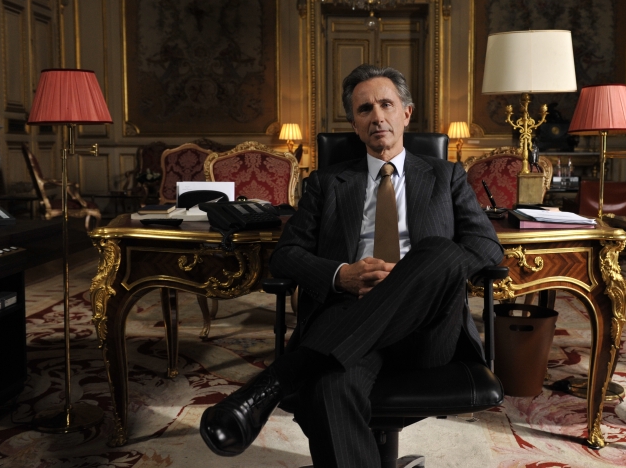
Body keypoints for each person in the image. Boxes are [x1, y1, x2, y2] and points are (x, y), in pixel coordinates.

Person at [199, 64, 504, 466]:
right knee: (329, 389)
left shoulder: (446, 176)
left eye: (386, 104)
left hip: (429, 332)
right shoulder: (326, 182)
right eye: (364, 109)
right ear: (355, 125)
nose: (377, 116)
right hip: (349, 319)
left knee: (439, 252)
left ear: (406, 113)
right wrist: (340, 275)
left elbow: (487, 247)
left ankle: (279, 377)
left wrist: (410, 277)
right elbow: (286, 254)